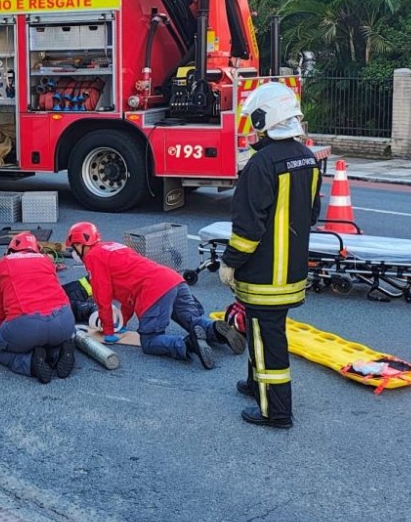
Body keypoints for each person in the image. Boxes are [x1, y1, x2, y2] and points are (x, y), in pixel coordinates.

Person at [219, 81, 322, 430]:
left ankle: (276, 411)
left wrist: (230, 262)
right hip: (292, 272)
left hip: (264, 276)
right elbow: (311, 213)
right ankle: (255, 384)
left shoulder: (261, 164)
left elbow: (248, 227)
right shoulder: (308, 158)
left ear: (264, 119)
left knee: (269, 337)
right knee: (261, 331)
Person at [65, 222, 245, 368]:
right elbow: (128, 295)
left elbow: (102, 296)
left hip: (155, 290)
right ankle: (216, 331)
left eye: (73, 247)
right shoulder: (112, 246)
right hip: (173, 280)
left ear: (81, 243)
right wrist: (123, 323)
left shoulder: (93, 257)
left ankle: (188, 345)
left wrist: (109, 331)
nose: (73, 252)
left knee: (150, 341)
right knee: (191, 319)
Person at [0, 231, 77, 383]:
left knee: (0, 350)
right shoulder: (46, 260)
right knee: (48, 337)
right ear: (35, 249)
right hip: (65, 322)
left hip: (27, 326)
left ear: (10, 250)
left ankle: (31, 364)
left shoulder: (3, 264)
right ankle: (58, 353)